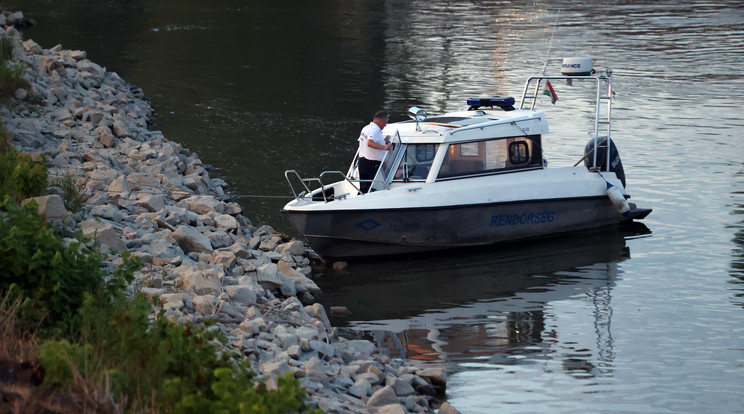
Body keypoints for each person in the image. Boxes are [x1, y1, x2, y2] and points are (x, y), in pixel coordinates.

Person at [357, 110, 392, 193]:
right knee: (368, 187)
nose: (385, 125)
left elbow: (369, 143)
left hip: (362, 161)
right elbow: (370, 143)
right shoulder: (375, 130)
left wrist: (384, 141)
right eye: (385, 122)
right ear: (380, 120)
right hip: (371, 164)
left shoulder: (366, 128)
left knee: (364, 187)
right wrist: (385, 147)